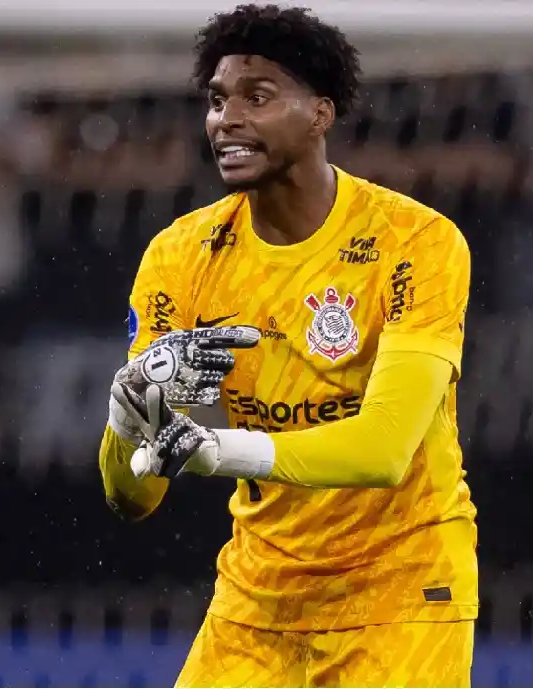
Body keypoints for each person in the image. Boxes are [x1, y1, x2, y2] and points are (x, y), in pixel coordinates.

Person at [98, 4, 477, 686]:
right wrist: (126, 422)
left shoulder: (415, 243)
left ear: (320, 114)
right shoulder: (180, 257)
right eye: (217, 101)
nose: (227, 119)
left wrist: (217, 449)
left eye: (258, 96)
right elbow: (133, 499)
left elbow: (384, 449)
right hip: (260, 596)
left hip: (400, 585)